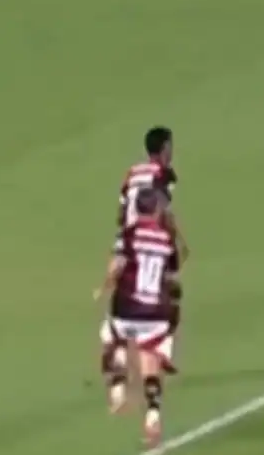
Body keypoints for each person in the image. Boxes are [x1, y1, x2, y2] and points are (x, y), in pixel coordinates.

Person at [94, 188, 181, 445]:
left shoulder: (129, 234)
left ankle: (118, 388)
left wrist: (105, 286)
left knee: (112, 334)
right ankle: (152, 415)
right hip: (156, 312)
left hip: (127, 307)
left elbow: (117, 264)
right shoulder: (166, 239)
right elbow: (172, 277)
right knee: (149, 362)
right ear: (155, 209)